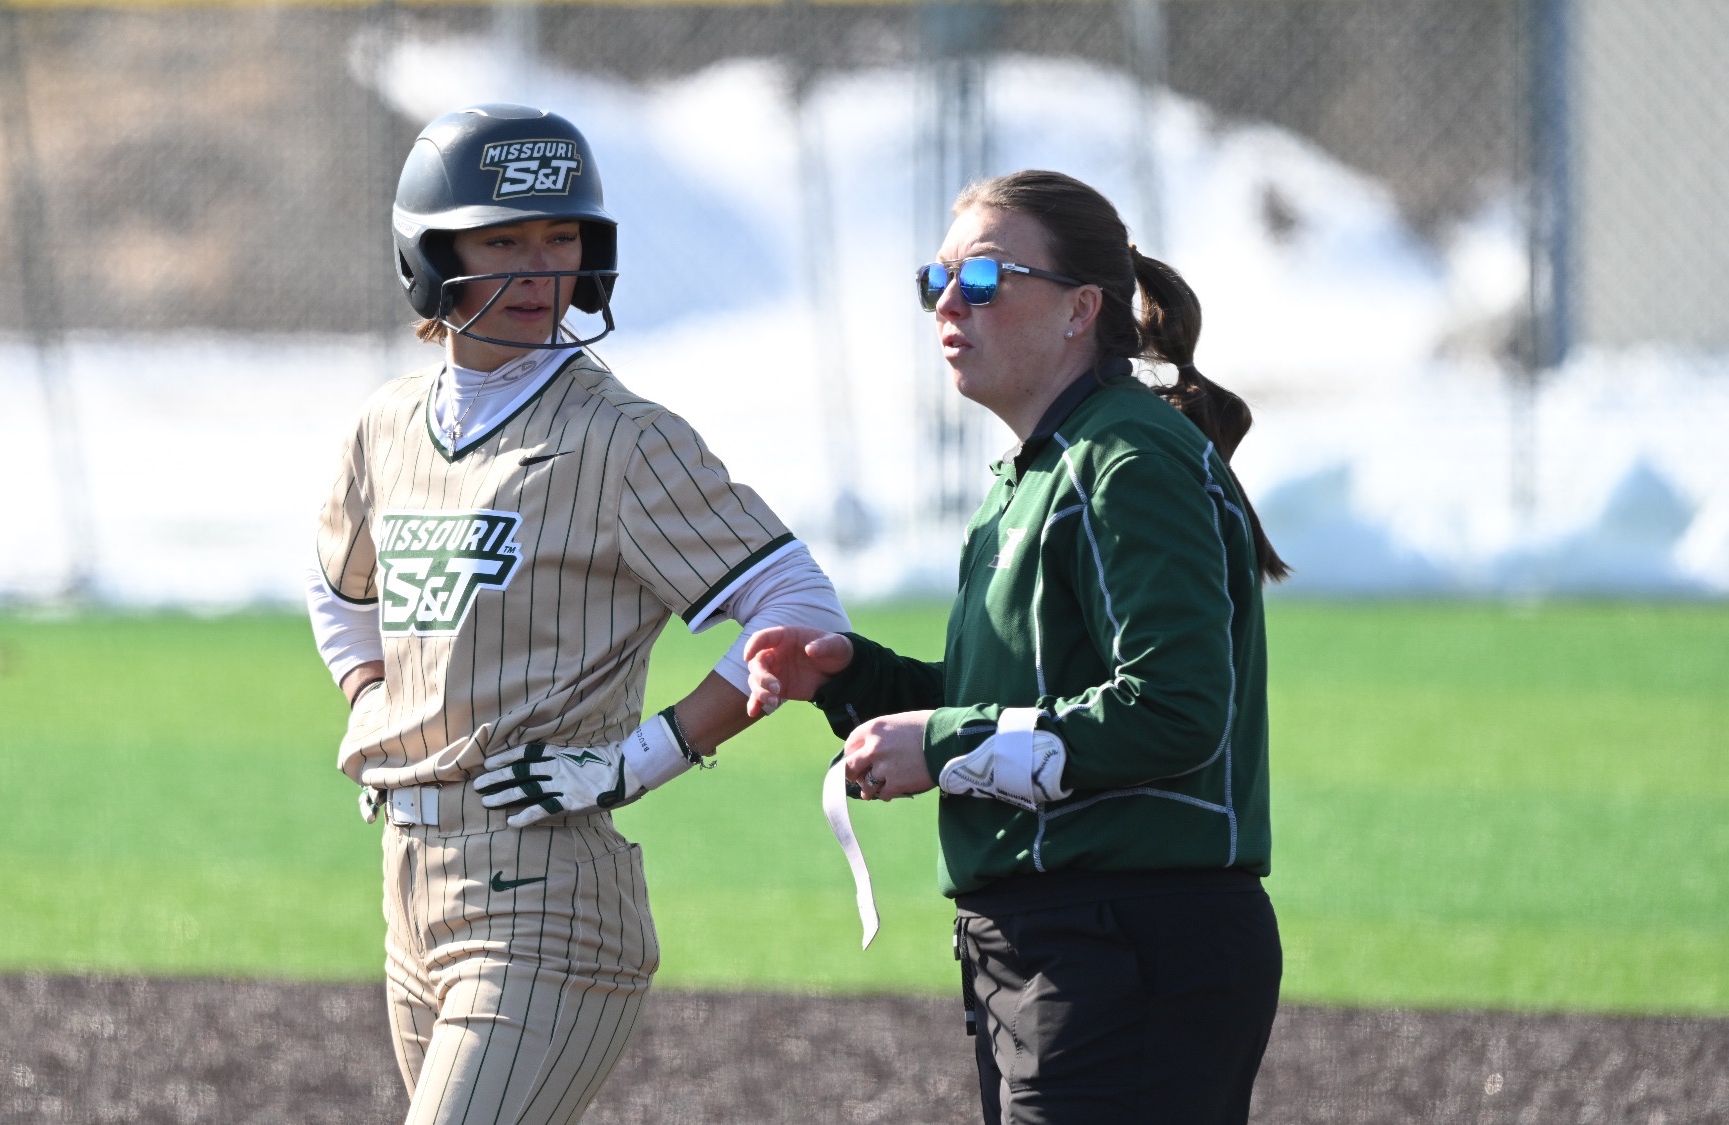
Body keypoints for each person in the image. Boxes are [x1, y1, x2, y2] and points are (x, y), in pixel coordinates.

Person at [306, 104, 848, 1125]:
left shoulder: (624, 440)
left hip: (547, 899)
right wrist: (373, 695)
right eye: (500, 239)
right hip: (409, 890)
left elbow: (801, 611)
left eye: (561, 239)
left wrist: (637, 759)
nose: (536, 269)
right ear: (429, 254)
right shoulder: (382, 425)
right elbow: (338, 587)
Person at [746, 169, 1289, 1124]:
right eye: (936, 280)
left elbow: (1175, 710)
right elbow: (1027, 695)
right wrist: (859, 683)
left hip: (1131, 941)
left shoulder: (1128, 460)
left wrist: (946, 745)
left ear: (1083, 308)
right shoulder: (1034, 470)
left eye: (986, 278)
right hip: (1061, 942)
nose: (949, 303)